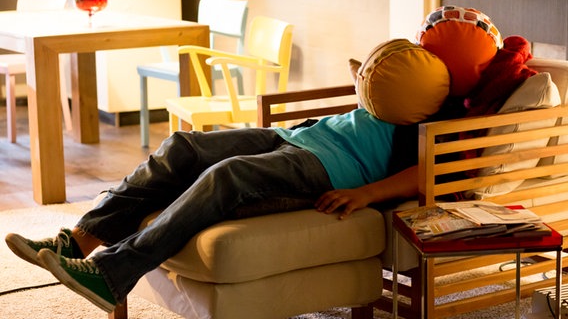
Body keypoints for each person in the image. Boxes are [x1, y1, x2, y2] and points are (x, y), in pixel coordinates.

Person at [5, 108, 419, 313]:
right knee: (183, 146)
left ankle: (113, 274)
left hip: (334, 168)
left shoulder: (454, 107)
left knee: (229, 176)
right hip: (297, 133)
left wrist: (367, 193)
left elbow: (429, 168)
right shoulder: (410, 73)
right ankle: (78, 241)